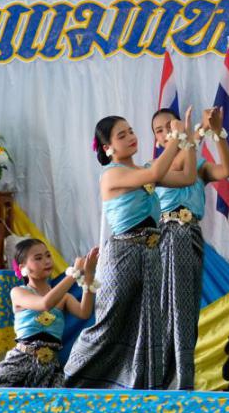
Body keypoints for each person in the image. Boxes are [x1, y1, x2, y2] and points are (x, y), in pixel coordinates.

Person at [64, 110, 198, 389]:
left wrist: (187, 141)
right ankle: (69, 381)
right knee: (109, 323)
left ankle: (137, 387)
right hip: (123, 254)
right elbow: (156, 173)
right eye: (121, 135)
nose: (130, 137)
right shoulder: (111, 174)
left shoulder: (142, 170)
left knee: (146, 324)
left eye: (131, 131)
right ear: (108, 147)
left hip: (151, 253)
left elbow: (187, 177)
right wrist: (176, 136)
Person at [150, 106, 229, 390]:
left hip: (191, 236)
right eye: (160, 130)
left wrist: (217, 133)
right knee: (171, 308)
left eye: (169, 125)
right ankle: (168, 380)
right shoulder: (158, 166)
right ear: (157, 140)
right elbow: (178, 167)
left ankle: (182, 377)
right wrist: (193, 133)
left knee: (186, 310)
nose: (166, 132)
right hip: (170, 236)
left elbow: (226, 170)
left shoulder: (196, 164)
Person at [0, 239, 97, 388]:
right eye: (38, 258)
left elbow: (84, 312)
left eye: (48, 255)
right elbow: (44, 304)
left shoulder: (64, 297)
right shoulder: (18, 292)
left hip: (51, 367)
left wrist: (89, 275)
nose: (46, 261)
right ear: (23, 268)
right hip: (20, 361)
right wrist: (74, 274)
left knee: (54, 401)